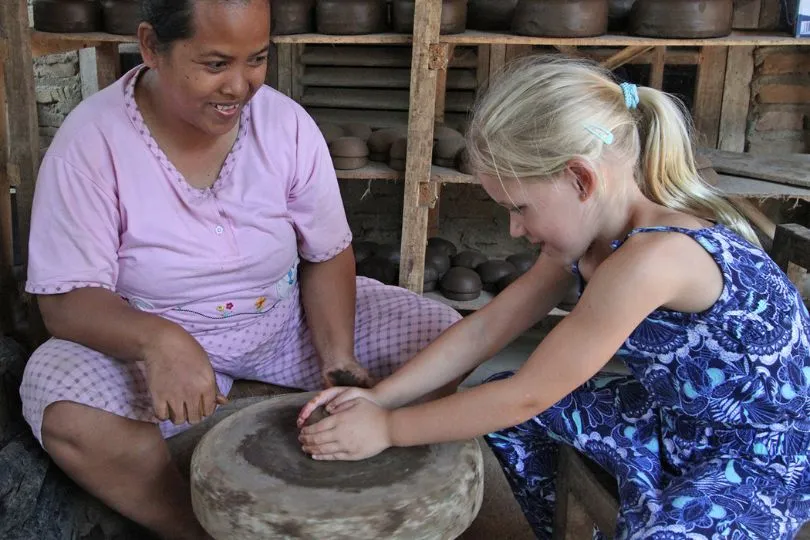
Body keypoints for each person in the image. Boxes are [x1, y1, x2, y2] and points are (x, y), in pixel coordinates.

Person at [298, 55, 810, 539]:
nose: (515, 229)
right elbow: (485, 328)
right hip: (674, 418)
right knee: (500, 410)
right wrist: (381, 397)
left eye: (519, 208)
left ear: (581, 179)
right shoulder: (589, 242)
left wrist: (387, 428)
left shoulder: (653, 260)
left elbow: (530, 394)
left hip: (763, 450)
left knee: (514, 404)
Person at [19, 0, 461, 538]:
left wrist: (337, 354)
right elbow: (66, 299)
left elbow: (326, 252)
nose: (240, 85)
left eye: (257, 58)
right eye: (214, 64)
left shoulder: (285, 124)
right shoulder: (91, 142)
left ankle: (356, 500)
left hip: (281, 318)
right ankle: (194, 523)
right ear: (152, 47)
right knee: (63, 404)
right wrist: (158, 341)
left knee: (443, 338)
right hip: (150, 334)